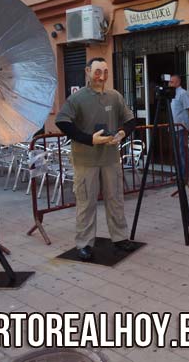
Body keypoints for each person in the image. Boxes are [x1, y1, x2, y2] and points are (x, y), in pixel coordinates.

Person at [55, 57, 136, 261]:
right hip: (85, 160)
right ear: (88, 71)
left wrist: (121, 134)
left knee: (115, 199)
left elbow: (130, 120)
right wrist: (89, 139)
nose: (102, 76)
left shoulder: (114, 96)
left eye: (105, 72)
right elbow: (62, 122)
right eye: (98, 71)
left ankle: (119, 237)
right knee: (86, 202)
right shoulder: (77, 98)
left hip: (110, 159)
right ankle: (84, 243)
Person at [168, 74, 189, 183]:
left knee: (182, 152)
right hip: (173, 128)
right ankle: (179, 174)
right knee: (176, 152)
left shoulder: (183, 93)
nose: (170, 84)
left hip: (181, 128)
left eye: (172, 82)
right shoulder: (171, 95)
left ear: (178, 82)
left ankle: (185, 176)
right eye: (169, 82)